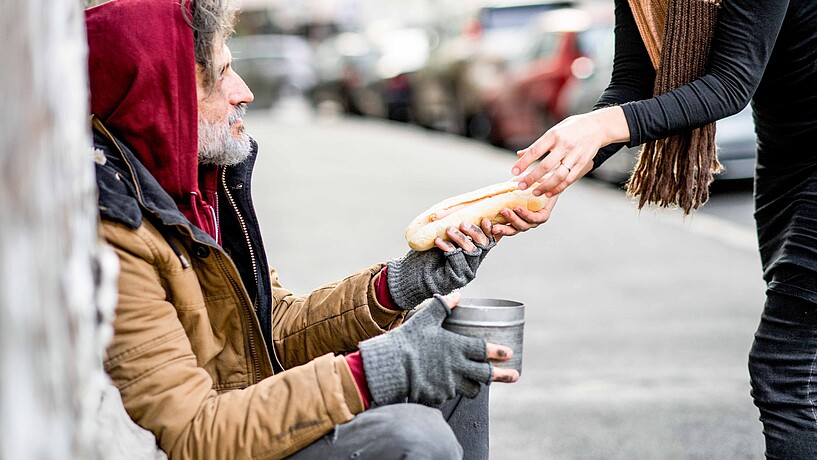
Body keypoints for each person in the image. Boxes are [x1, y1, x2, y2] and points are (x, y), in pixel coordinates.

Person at [86, 0, 532, 458]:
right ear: (165, 96)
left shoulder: (195, 195)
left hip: (248, 415)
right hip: (219, 439)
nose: (244, 92)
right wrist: (378, 369)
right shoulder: (118, 235)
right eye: (219, 76)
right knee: (412, 435)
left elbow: (272, 329)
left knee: (456, 359)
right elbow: (195, 431)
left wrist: (399, 285)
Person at [491, 0, 817, 458]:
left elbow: (730, 83)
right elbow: (632, 85)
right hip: (785, 163)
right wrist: (542, 184)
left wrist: (600, 125)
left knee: (786, 374)